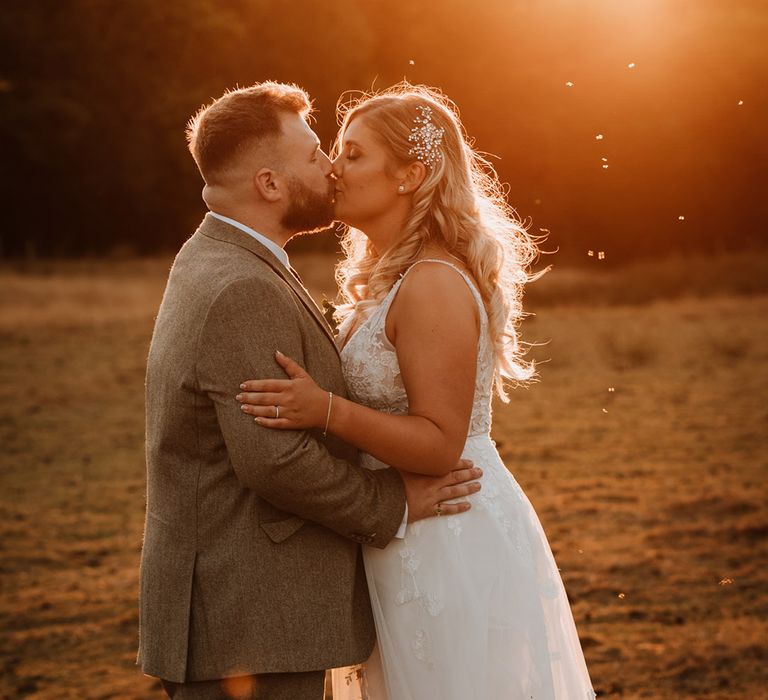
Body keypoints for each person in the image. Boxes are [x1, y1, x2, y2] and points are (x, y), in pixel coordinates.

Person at [236, 84, 596, 699]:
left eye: (353, 155)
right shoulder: (395, 276)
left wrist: (324, 410)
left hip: (447, 529)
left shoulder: (432, 282)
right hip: (402, 526)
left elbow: (438, 444)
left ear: (410, 174)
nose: (333, 167)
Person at [138, 82, 483, 700]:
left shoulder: (223, 258)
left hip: (249, 614)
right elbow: (274, 459)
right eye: (318, 153)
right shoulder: (242, 283)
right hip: (246, 619)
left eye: (345, 153)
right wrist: (394, 502)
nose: (330, 167)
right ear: (270, 184)